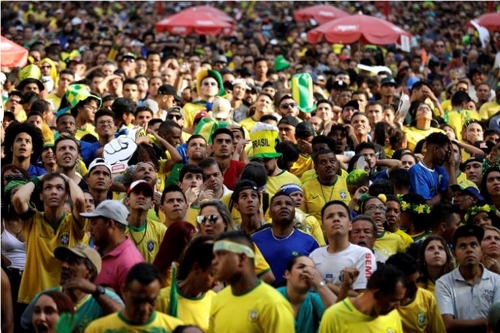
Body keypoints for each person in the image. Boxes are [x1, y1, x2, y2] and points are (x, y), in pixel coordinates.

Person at [12, 172, 86, 305]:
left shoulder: (73, 223)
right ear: (40, 195)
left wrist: (68, 179)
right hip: (34, 298)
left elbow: (80, 200)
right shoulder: (32, 220)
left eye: (59, 188)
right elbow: (18, 198)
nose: (53, 192)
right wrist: (37, 179)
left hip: (65, 299)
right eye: (48, 188)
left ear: (67, 195)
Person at [21, 244, 123, 332]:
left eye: (73, 262)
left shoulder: (101, 297)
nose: (64, 266)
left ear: (90, 273)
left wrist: (95, 291)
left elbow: (127, 321)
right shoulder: (46, 298)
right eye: (64, 261)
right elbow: (24, 325)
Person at [209, 231, 295, 332]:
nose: (214, 261)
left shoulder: (273, 304)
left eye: (221, 254)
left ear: (241, 258)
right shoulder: (217, 300)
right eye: (214, 256)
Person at [85, 263, 184, 332]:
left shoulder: (173, 329)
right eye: (138, 301)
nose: (144, 308)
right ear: (124, 291)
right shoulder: (97, 329)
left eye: (151, 301)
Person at [436, 225, 500, 331]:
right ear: (454, 254)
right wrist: (489, 321)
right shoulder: (444, 283)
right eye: (462, 246)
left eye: (474, 245)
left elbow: (497, 320)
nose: (469, 250)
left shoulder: (497, 280)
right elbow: (448, 324)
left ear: (481, 250)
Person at [310, 201, 377, 296]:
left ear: (350, 225)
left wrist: (324, 284)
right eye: (330, 216)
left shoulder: (364, 254)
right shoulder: (314, 255)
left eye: (341, 215)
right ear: (323, 228)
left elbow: (363, 297)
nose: (336, 219)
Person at [252, 192, 319, 286]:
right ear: (270, 213)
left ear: (294, 212)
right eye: (278, 204)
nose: (284, 206)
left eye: (288, 204)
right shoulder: (254, 239)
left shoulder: (309, 241)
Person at [83, 200, 144, 297]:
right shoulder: (98, 249)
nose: (89, 228)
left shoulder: (129, 263)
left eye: (94, 223)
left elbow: (131, 310)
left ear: (110, 224)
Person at [319, 264, 405, 333]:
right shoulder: (334, 316)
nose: (397, 306)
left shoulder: (392, 314)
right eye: (394, 300)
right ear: (377, 294)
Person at [157, 236, 216, 331]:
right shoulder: (162, 300)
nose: (217, 282)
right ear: (196, 268)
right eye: (212, 274)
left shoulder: (215, 301)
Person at [385, 253, 446, 333]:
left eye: (418, 281)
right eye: (408, 285)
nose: (416, 288)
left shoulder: (427, 298)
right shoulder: (382, 306)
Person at [277, 256, 337, 333]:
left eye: (312, 270)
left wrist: (320, 284)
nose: (307, 271)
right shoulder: (273, 297)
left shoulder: (314, 299)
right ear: (287, 274)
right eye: (301, 267)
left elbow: (339, 318)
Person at [124, 180, 167, 263]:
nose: (141, 197)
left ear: (151, 204)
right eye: (136, 193)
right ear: (127, 201)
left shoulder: (160, 230)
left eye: (146, 195)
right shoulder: (118, 229)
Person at [303, 149, 351, 221]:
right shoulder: (305, 188)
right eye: (323, 163)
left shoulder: (348, 184)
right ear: (316, 169)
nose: (329, 165)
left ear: (338, 165)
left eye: (332, 161)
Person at [408, 132, 452, 207]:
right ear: (435, 149)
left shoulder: (440, 168)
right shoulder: (417, 171)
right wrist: (442, 194)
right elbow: (427, 205)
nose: (447, 156)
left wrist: (452, 165)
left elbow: (451, 195)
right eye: (446, 152)